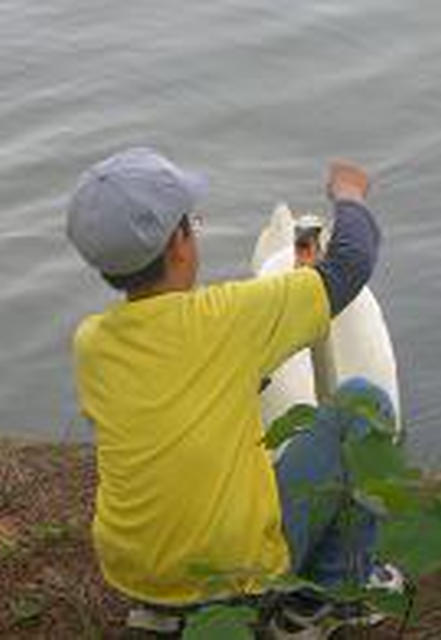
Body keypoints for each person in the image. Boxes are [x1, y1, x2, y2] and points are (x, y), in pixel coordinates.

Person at [66, 147, 398, 608]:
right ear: (180, 244)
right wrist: (349, 193)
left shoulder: (91, 342)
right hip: (238, 576)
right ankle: (324, 600)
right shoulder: (228, 318)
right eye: (193, 222)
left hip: (132, 571)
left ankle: (160, 612)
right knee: (364, 403)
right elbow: (351, 262)